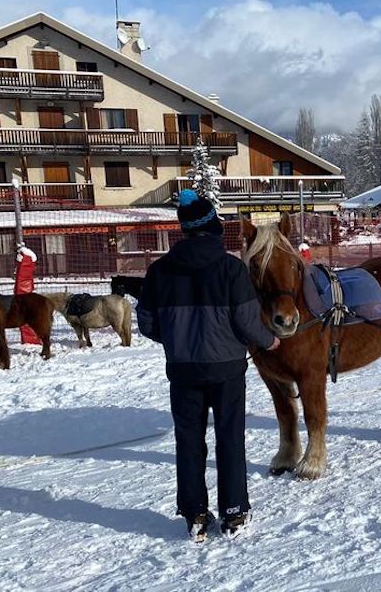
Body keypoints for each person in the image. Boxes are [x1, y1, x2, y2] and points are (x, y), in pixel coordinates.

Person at [137, 190, 280, 542]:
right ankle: (234, 511)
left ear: (184, 230)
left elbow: (146, 323)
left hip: (183, 370)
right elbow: (247, 322)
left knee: (188, 440)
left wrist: (177, 341)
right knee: (229, 438)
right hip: (227, 369)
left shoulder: (159, 271)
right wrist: (269, 340)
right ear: (213, 227)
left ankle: (195, 514)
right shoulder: (231, 269)